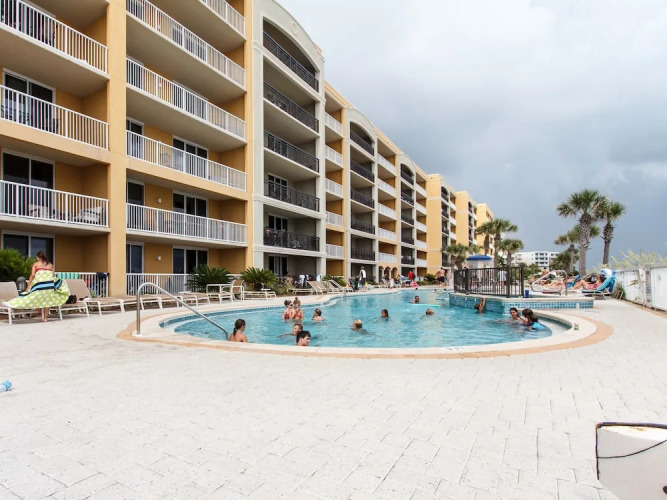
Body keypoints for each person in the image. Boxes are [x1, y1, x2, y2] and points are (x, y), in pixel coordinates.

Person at [5, 251, 69, 322]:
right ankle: (45, 318)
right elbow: (52, 275)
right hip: (49, 285)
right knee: (48, 301)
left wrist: (28, 286)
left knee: (31, 296)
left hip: (40, 285)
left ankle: (15, 304)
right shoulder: (51, 265)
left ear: (38, 257)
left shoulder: (36, 264)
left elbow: (32, 275)